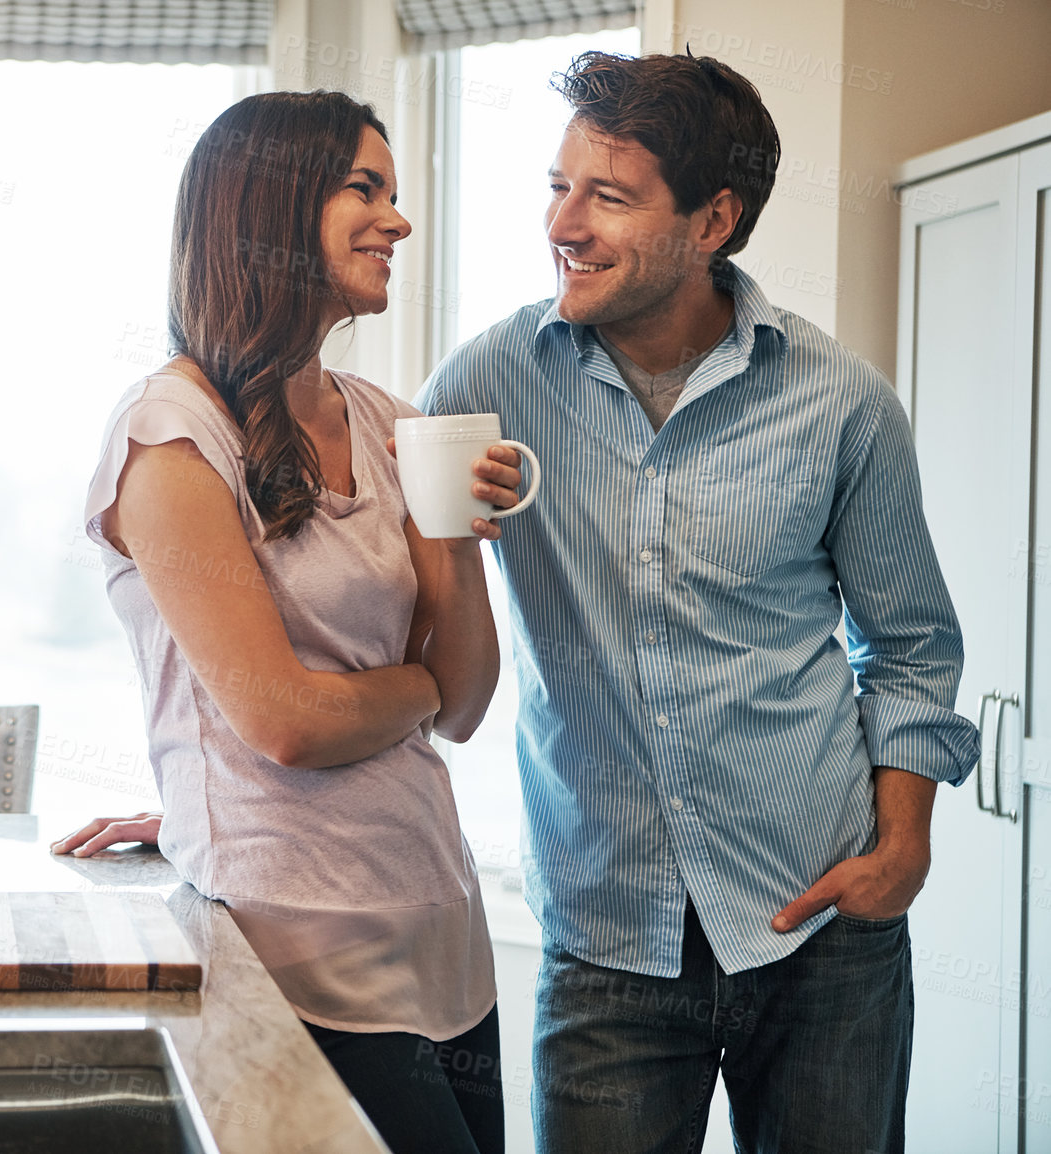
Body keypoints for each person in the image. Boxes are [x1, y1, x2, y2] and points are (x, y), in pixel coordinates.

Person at [412, 51, 979, 1153]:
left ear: (712, 219)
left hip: (821, 924)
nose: (561, 222)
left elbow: (909, 644)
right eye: (556, 185)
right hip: (607, 936)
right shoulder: (482, 386)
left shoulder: (839, 403)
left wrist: (901, 845)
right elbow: (383, 623)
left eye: (606, 196)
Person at [51, 90, 520, 1154]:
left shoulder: (394, 424)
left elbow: (470, 704)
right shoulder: (170, 438)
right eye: (364, 188)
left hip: (444, 935)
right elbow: (286, 725)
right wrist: (412, 689)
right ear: (265, 208)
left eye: (396, 194)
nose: (396, 220)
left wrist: (448, 536)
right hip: (298, 957)